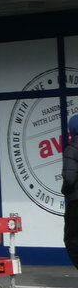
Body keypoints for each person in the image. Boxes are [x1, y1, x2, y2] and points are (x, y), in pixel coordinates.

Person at [63, 113, 78, 270]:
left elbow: (69, 177)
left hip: (76, 202)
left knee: (72, 239)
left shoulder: (72, 148)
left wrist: (65, 190)